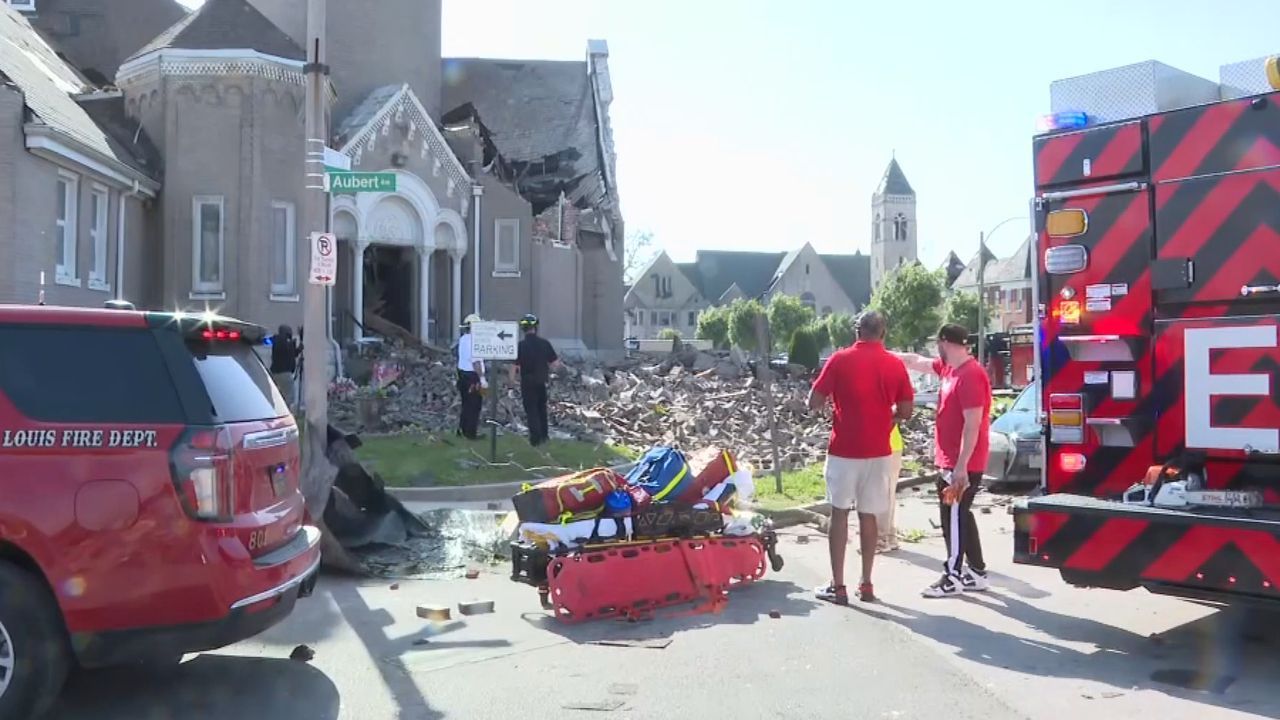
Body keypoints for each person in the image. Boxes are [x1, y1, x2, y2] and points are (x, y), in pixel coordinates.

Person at [807, 310, 914, 603]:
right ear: (883, 333)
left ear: (857, 331)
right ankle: (866, 583)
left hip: (844, 449)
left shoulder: (839, 360)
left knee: (839, 513)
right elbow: (906, 410)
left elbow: (814, 401)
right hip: (879, 451)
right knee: (869, 515)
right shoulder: (894, 364)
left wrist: (833, 404)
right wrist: (888, 417)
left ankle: (838, 585)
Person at [892, 323, 993, 598]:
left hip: (963, 464)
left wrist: (961, 466)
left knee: (953, 517)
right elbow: (917, 361)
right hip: (951, 461)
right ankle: (977, 572)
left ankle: (953, 576)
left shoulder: (971, 375)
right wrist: (885, 354)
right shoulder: (948, 369)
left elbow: (973, 424)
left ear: (945, 342)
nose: (936, 348)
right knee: (961, 515)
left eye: (938, 343)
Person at [509, 313, 561, 446]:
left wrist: (511, 382)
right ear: (535, 328)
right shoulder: (544, 344)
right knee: (541, 409)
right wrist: (552, 373)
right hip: (541, 381)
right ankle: (544, 435)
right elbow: (555, 364)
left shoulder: (520, 346)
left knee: (531, 410)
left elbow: (514, 366)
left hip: (527, 382)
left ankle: (535, 438)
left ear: (523, 329)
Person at [456, 314, 486, 439]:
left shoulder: (463, 339)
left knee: (466, 404)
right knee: (474, 404)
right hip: (473, 377)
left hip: (462, 375)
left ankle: (462, 429)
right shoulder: (474, 341)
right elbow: (476, 362)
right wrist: (482, 378)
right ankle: (470, 433)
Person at [877, 423, 904, 553]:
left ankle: (880, 540)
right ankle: (890, 536)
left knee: (880, 494)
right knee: (888, 494)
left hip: (884, 446)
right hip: (891, 444)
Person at [269, 325, 300, 410]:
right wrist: (293, 346)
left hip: (275, 373)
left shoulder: (277, 341)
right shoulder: (283, 341)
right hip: (284, 373)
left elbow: (289, 354)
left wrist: (296, 349)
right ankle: (286, 411)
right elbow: (289, 352)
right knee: (289, 396)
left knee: (279, 395)